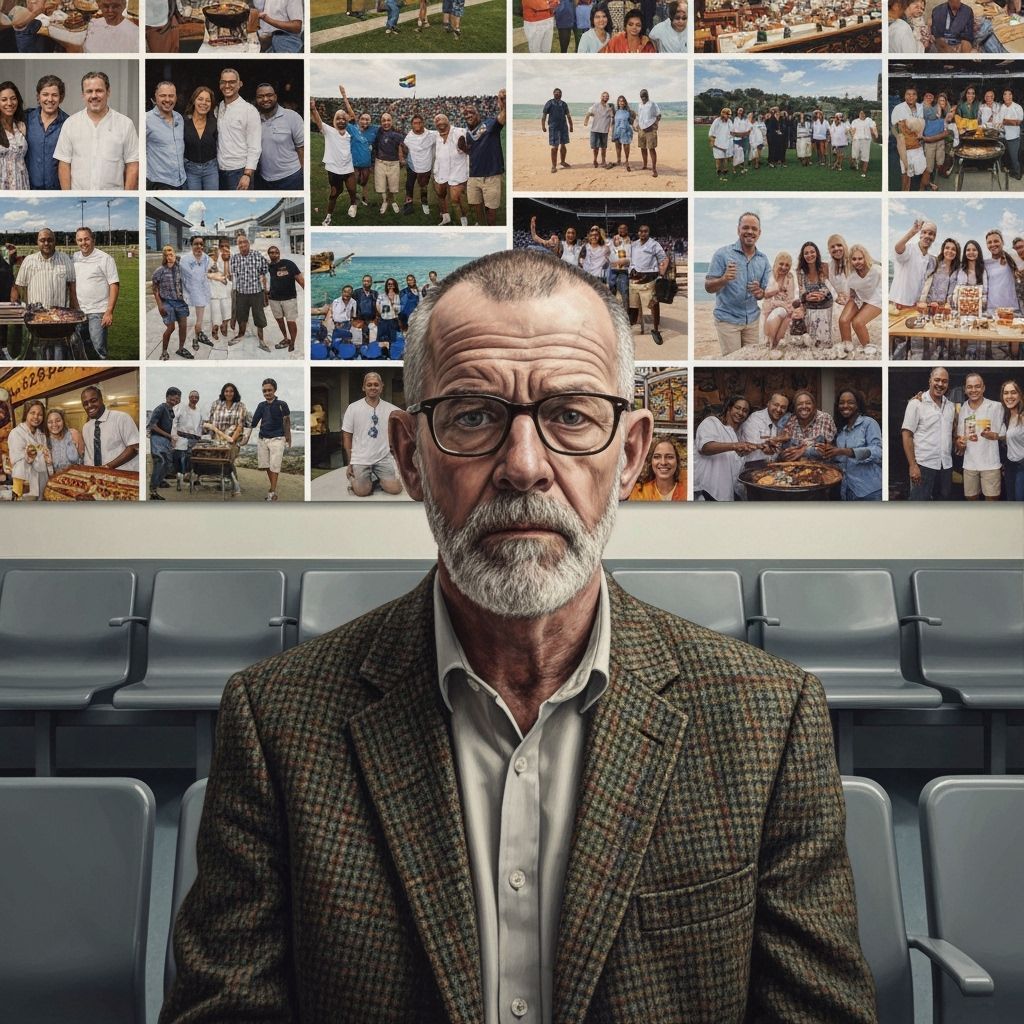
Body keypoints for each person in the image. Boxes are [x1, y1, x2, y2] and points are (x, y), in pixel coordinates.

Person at [122, 249, 881, 1023]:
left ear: (628, 454)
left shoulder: (767, 720)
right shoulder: (276, 724)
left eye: (572, 415)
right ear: (412, 458)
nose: (524, 467)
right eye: (475, 416)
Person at [54, 71, 139, 191]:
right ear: (83, 94)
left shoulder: (125, 124)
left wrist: (127, 195)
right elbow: (64, 164)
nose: (94, 95)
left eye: (99, 90)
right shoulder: (70, 124)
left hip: (114, 197)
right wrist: (67, 196)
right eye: (89, 91)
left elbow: (133, 164)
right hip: (78, 196)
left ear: (108, 92)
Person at [704, 211, 770, 356]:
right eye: (745, 227)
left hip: (752, 321)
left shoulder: (763, 260)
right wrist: (724, 279)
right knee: (733, 365)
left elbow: (764, 292)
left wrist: (761, 293)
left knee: (752, 362)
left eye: (754, 229)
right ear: (738, 230)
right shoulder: (722, 254)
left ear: (759, 233)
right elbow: (708, 286)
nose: (750, 232)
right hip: (728, 321)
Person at [14, 228, 76, 359]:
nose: (46, 243)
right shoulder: (29, 261)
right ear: (37, 242)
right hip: (36, 318)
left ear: (55, 241)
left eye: (50, 240)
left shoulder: (65, 259)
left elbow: (71, 286)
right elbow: (20, 285)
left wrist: (74, 309)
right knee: (37, 353)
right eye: (43, 240)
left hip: (59, 318)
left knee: (59, 353)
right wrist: (27, 305)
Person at [341, 370, 403, 497]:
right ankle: (357, 480)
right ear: (363, 387)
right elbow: (347, 435)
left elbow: (407, 420)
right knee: (362, 492)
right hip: (361, 458)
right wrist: (350, 462)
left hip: (383, 458)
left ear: (381, 387)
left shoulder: (392, 409)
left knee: (395, 489)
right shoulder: (353, 408)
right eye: (369, 385)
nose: (373, 387)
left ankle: (374, 478)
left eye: (376, 384)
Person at [901, 366, 955, 500]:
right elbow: (907, 435)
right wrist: (913, 465)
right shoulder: (916, 403)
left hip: (946, 466)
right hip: (923, 465)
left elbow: (951, 433)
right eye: (937, 380)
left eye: (945, 381)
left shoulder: (950, 406)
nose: (940, 384)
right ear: (930, 381)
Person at [820, 390, 882, 501]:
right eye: (841, 403)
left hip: (869, 491)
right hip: (846, 490)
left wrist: (845, 451)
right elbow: (841, 459)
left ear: (858, 405)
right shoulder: (841, 430)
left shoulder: (869, 423)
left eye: (850, 402)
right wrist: (829, 452)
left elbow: (878, 452)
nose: (845, 406)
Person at [693, 395, 756, 501]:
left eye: (745, 411)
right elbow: (705, 447)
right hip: (706, 491)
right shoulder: (712, 423)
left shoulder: (738, 436)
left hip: (726, 494)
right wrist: (735, 446)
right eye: (737, 408)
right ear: (729, 408)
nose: (741, 413)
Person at [72, 227, 119, 360]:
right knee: (80, 347)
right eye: (80, 240)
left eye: (86, 239)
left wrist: (109, 311)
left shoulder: (105, 258)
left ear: (93, 239)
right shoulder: (74, 258)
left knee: (98, 348)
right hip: (79, 312)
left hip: (98, 312)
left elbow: (114, 285)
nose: (83, 243)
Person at [459, 91, 505, 227]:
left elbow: (503, 116)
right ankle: (480, 223)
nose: (468, 115)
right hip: (474, 176)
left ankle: (491, 227)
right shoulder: (468, 134)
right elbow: (472, 152)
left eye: (471, 112)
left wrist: (503, 101)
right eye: (465, 114)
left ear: (478, 114)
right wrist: (463, 149)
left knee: (491, 209)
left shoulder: (489, 124)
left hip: (491, 175)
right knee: (476, 205)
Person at [956, 373, 1003, 501]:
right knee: (971, 501)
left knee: (992, 503)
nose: (973, 390)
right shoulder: (963, 409)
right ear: (965, 389)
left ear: (983, 388)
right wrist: (960, 442)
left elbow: (1005, 434)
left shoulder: (996, 407)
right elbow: (960, 437)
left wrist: (995, 435)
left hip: (990, 464)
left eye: (977, 386)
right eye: (969, 387)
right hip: (969, 464)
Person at [310, 98, 357, 225]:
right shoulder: (329, 131)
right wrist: (313, 109)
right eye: (338, 118)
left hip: (348, 168)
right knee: (334, 193)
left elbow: (353, 117)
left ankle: (353, 204)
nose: (341, 120)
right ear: (334, 121)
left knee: (352, 190)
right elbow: (318, 121)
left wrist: (344, 96)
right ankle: (328, 216)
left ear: (346, 121)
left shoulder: (350, 133)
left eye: (343, 118)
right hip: (334, 170)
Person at [244, 378, 291, 502]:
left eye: (269, 390)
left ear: (275, 390)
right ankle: (273, 488)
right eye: (264, 391)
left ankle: (272, 492)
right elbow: (253, 423)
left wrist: (288, 438)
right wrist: (247, 437)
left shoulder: (282, 404)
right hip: (262, 438)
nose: (267, 393)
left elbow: (287, 421)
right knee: (266, 466)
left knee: (275, 466)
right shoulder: (261, 405)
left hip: (278, 438)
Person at [216, 67, 261, 191]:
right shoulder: (218, 107)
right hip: (218, 171)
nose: (227, 85)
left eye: (232, 82)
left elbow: (255, 146)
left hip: (239, 171)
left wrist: (247, 174)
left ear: (240, 84)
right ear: (220, 85)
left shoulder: (249, 110)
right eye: (223, 82)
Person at [255, 84, 304, 191]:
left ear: (275, 97)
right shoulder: (254, 120)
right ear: (256, 99)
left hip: (291, 178)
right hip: (264, 180)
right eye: (260, 96)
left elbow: (301, 148)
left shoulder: (292, 117)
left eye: (269, 95)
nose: (265, 99)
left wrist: (303, 174)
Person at [80, 384, 139, 472]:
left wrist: (107, 467)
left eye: (93, 400)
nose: (89, 405)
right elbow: (89, 455)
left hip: (124, 474)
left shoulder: (121, 418)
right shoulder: (86, 427)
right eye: (85, 404)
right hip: (98, 476)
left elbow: (134, 447)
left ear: (101, 399)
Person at [24, 75, 67, 191]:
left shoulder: (69, 123)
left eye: (54, 95)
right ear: (38, 97)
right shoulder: (25, 119)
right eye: (45, 94)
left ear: (61, 98)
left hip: (58, 190)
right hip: (28, 189)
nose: (50, 99)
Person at [229, 233, 271, 351]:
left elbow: (265, 271)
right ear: (237, 245)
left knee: (259, 316)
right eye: (239, 242)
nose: (242, 244)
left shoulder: (257, 255)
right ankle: (241, 334)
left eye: (244, 242)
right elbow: (232, 275)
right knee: (241, 315)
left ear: (248, 243)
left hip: (256, 292)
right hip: (241, 293)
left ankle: (261, 340)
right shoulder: (235, 258)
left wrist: (266, 289)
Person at [628, 223, 668, 345]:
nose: (643, 233)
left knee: (653, 305)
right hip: (634, 278)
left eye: (645, 231)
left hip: (649, 277)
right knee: (633, 307)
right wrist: (631, 270)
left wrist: (661, 275)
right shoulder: (633, 245)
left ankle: (655, 329)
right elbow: (630, 260)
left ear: (648, 232)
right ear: (638, 232)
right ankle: (629, 330)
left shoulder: (654, 244)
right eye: (641, 231)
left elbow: (664, 259)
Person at [840, 244, 882, 358]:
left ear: (865, 258)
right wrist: (847, 300)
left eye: (860, 258)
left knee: (857, 322)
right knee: (843, 320)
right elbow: (852, 292)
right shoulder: (851, 275)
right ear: (850, 260)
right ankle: (847, 349)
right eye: (854, 259)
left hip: (876, 299)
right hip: (859, 297)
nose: (857, 261)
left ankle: (869, 349)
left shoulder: (876, 270)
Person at [207, 382, 249, 496]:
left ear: (234, 393)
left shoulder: (240, 405)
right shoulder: (216, 404)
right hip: (217, 439)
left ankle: (235, 485)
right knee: (220, 461)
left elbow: (240, 425)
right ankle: (226, 482)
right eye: (226, 391)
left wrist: (231, 440)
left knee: (228, 459)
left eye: (231, 391)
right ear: (223, 392)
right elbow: (211, 421)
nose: (229, 393)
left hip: (233, 439)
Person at [152, 245, 191, 361]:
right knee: (171, 328)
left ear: (175, 254)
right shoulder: (160, 271)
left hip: (180, 302)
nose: (169, 257)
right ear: (164, 257)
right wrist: (160, 305)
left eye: (171, 254)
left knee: (183, 326)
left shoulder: (181, 268)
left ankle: (181, 348)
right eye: (166, 255)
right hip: (167, 302)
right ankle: (164, 351)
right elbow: (155, 288)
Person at [146, 81, 186, 190]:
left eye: (171, 96)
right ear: (156, 97)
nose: (167, 100)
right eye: (163, 95)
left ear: (176, 98)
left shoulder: (179, 118)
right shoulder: (146, 120)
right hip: (159, 182)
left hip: (181, 180)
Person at [8, 399, 50, 499]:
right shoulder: (16, 433)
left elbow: (45, 458)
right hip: (26, 482)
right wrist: (29, 457)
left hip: (43, 480)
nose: (36, 417)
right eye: (32, 413)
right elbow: (16, 461)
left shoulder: (41, 435)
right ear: (26, 413)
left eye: (40, 414)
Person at [432, 113, 469, 227]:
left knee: (456, 199)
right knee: (440, 194)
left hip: (457, 171)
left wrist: (464, 147)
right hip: (441, 170)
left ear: (448, 121)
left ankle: (464, 223)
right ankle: (445, 217)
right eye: (437, 121)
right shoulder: (435, 135)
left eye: (441, 119)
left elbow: (472, 147)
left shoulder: (460, 132)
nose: (439, 121)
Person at [890, 219, 936, 309]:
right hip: (898, 304)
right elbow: (897, 248)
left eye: (931, 234)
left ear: (934, 237)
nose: (927, 236)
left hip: (914, 305)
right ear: (920, 235)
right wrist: (912, 232)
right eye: (924, 232)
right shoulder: (910, 249)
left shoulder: (928, 258)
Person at [738, 391, 790, 470]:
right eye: (776, 405)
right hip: (752, 468)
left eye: (783, 407)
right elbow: (756, 447)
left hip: (772, 468)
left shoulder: (785, 421)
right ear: (768, 403)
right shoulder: (755, 419)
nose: (779, 409)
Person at [266, 244, 303, 353]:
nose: (274, 253)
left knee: (291, 321)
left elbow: (300, 279)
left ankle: (293, 342)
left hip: (289, 299)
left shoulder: (288, 264)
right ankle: (286, 338)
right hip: (274, 299)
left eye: (276, 251)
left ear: (279, 253)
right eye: (271, 252)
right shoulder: (267, 267)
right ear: (269, 254)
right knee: (280, 321)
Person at [180, 86, 218, 191]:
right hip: (190, 169)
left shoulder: (215, 122)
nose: (204, 103)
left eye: (208, 100)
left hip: (211, 169)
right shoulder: (183, 122)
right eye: (200, 99)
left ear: (211, 104)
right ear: (194, 101)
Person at [782, 390, 837, 462]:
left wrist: (803, 451)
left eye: (808, 403)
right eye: (799, 404)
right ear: (795, 407)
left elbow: (824, 450)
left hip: (823, 468)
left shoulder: (824, 418)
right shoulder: (791, 420)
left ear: (814, 405)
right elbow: (785, 449)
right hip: (795, 469)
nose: (804, 406)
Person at [179, 235, 212, 352]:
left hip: (202, 293)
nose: (199, 246)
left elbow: (208, 272)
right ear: (191, 245)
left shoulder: (206, 258)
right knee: (191, 320)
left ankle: (197, 337)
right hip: (190, 294)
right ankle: (188, 342)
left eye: (201, 244)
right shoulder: (185, 260)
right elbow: (193, 277)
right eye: (196, 244)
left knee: (200, 320)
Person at [628, 434, 686, 500]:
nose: (663, 462)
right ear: (651, 461)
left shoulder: (687, 488)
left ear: (677, 461)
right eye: (657, 457)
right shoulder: (639, 493)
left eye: (669, 457)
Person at [147, 386, 180, 500]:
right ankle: (153, 491)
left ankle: (157, 484)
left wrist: (170, 439)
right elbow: (152, 425)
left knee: (167, 464)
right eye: (173, 398)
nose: (175, 401)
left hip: (165, 440)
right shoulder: (161, 408)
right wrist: (169, 436)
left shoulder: (171, 410)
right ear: (167, 397)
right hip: (157, 439)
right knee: (160, 462)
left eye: (177, 399)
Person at [400, 113, 436, 216]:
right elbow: (403, 146)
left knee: (423, 186)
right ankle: (408, 204)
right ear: (412, 124)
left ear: (423, 123)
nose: (417, 125)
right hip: (412, 166)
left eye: (419, 122)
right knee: (409, 185)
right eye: (415, 123)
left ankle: (424, 203)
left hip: (425, 165)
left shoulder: (431, 135)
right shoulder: (409, 136)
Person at [761, 251, 796, 357]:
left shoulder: (789, 277)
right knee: (778, 312)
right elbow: (765, 301)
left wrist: (787, 306)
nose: (784, 267)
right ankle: (771, 343)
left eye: (787, 265)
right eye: (781, 264)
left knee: (787, 314)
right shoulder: (769, 276)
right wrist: (781, 304)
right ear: (776, 263)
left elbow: (790, 298)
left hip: (785, 309)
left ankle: (776, 344)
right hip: (768, 310)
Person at [373, 111, 405, 216]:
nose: (386, 123)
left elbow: (403, 146)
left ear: (392, 121)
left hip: (394, 163)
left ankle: (393, 201)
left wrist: (402, 158)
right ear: (380, 122)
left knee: (393, 186)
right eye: (383, 120)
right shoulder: (377, 132)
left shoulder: (397, 134)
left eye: (388, 120)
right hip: (380, 162)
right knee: (381, 185)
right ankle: (385, 202)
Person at [171, 389, 203, 492]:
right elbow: (174, 422)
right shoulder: (181, 407)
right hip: (181, 438)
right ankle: (179, 484)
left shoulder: (199, 411)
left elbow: (199, 427)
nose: (194, 399)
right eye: (192, 397)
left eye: (196, 397)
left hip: (194, 440)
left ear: (198, 399)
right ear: (189, 397)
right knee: (180, 462)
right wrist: (174, 437)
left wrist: (200, 438)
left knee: (192, 463)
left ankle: (191, 482)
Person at [998, 378, 1024, 500]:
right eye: (1006, 393)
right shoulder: (1007, 416)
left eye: (1013, 392)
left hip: (1022, 466)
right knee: (1011, 501)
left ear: (1020, 395)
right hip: (1010, 466)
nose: (1009, 396)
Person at [0, 81, 28, 190]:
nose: (9, 103)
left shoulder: (21, 126)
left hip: (22, 185)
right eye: (4, 99)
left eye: (13, 98)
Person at [984, 230, 1019, 313]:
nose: (993, 244)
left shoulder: (1012, 259)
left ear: (1002, 242)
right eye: (989, 242)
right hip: (991, 311)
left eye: (996, 241)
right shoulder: (985, 263)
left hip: (1012, 310)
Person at [542, 87, 573, 174]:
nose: (558, 94)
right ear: (553, 94)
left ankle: (563, 161)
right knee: (554, 147)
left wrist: (571, 126)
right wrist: (543, 126)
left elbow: (568, 115)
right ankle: (553, 166)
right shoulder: (549, 103)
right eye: (556, 92)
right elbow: (544, 115)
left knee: (563, 145)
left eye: (559, 93)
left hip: (563, 126)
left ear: (561, 94)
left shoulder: (564, 104)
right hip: (553, 127)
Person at [206, 241, 232, 343]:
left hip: (225, 287)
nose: (215, 255)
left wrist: (226, 261)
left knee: (226, 308)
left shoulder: (228, 257)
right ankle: (215, 328)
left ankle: (224, 325)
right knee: (215, 310)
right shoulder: (207, 261)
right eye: (212, 254)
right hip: (213, 288)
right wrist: (218, 278)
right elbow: (206, 274)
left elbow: (227, 274)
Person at [45, 408, 83, 472]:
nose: (54, 424)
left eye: (58, 420)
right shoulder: (45, 440)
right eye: (50, 422)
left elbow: (84, 458)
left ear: (63, 421)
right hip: (55, 479)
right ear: (46, 424)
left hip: (76, 477)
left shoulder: (73, 434)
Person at [582, 91, 612, 169]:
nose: (605, 97)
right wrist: (586, 121)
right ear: (601, 97)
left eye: (607, 96)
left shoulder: (609, 108)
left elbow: (610, 118)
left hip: (604, 131)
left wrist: (609, 127)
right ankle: (595, 160)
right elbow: (589, 113)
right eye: (604, 96)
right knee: (595, 147)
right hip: (595, 130)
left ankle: (603, 161)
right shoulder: (596, 105)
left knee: (604, 147)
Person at [636, 87, 660, 176]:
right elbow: (639, 116)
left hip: (650, 129)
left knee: (651, 148)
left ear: (648, 95)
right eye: (642, 96)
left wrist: (655, 125)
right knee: (643, 148)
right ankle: (645, 165)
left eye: (645, 95)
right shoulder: (639, 105)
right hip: (641, 129)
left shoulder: (652, 104)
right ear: (640, 96)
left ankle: (654, 168)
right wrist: (637, 126)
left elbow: (658, 115)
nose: (643, 97)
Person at [1000, 89, 1023, 181]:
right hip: (1003, 135)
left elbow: (1018, 123)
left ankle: (1018, 174)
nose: (1007, 97)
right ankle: (1010, 171)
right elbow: (999, 120)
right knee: (1006, 156)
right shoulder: (1002, 106)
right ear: (1003, 97)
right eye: (1005, 94)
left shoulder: (1017, 107)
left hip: (1014, 137)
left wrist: (1005, 121)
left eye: (1009, 94)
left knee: (1014, 157)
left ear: (1012, 96)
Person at [375, 277, 401, 357]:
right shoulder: (381, 295)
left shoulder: (397, 296)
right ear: (386, 285)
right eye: (389, 284)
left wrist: (392, 302)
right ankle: (383, 355)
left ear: (395, 286)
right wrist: (382, 315)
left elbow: (398, 310)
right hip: (383, 320)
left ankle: (390, 355)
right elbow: (377, 305)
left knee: (392, 340)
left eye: (392, 284)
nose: (390, 285)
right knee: (382, 340)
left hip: (393, 320)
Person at [609, 95, 635, 171]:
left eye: (623, 101)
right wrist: (612, 131)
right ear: (618, 102)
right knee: (618, 146)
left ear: (625, 102)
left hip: (626, 131)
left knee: (626, 146)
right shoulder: (616, 111)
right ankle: (619, 160)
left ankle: (626, 160)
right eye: (620, 101)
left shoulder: (629, 111)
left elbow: (633, 121)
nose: (621, 102)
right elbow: (613, 122)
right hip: (617, 131)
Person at [709, 107, 734, 182]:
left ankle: (725, 170)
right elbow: (711, 132)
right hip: (717, 142)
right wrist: (712, 140)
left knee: (725, 158)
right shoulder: (717, 121)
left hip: (726, 142)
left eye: (730, 115)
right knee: (718, 158)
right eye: (728, 114)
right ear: (723, 114)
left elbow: (732, 131)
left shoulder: (729, 121)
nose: (729, 116)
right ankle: (718, 170)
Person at [850, 109, 877, 178]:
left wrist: (875, 133)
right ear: (858, 114)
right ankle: (855, 164)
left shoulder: (869, 120)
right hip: (857, 140)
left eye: (863, 113)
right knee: (855, 156)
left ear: (865, 114)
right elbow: (853, 130)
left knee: (865, 157)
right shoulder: (855, 121)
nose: (862, 114)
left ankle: (864, 172)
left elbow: (873, 128)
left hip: (866, 141)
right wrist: (852, 137)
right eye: (861, 113)